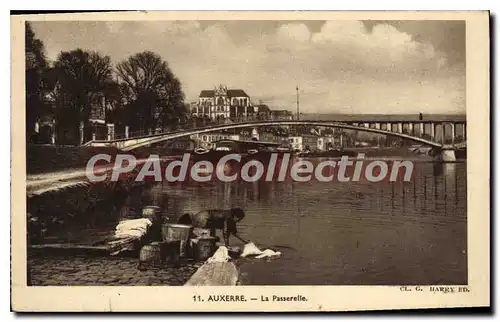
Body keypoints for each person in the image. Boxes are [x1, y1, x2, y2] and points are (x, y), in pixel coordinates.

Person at [178, 208, 247, 246]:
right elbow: (225, 232)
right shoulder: (228, 217)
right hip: (204, 218)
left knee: (211, 238)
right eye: (239, 219)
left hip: (206, 218)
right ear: (235, 216)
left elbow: (234, 233)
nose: (239, 221)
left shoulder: (231, 219)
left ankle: (206, 247)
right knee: (204, 238)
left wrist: (245, 242)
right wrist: (227, 246)